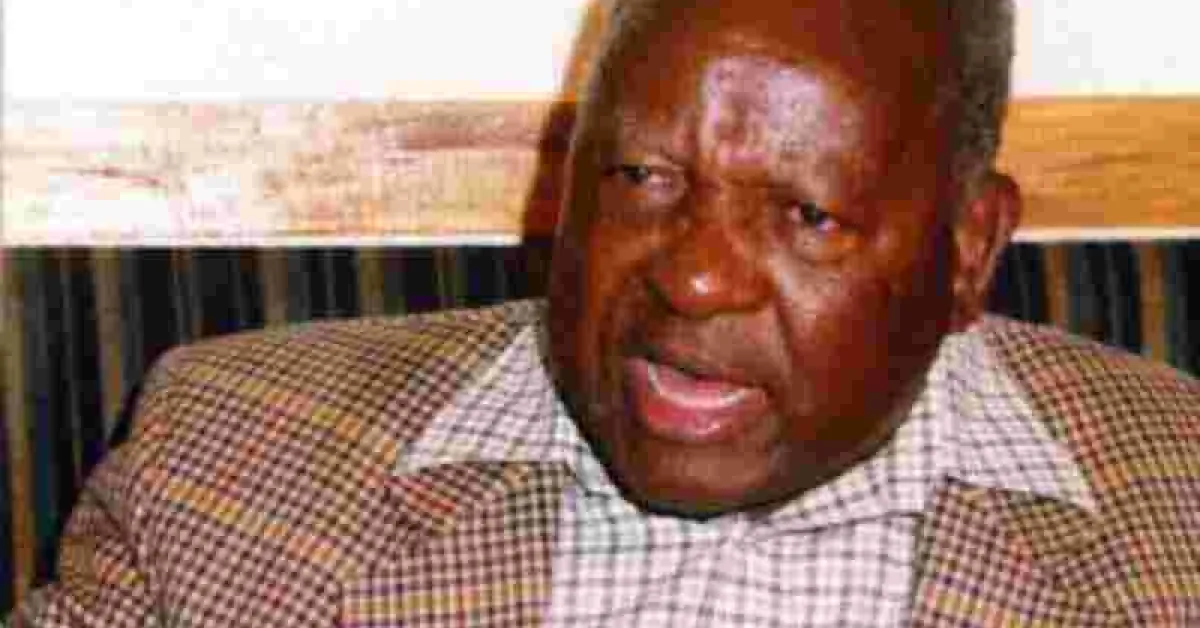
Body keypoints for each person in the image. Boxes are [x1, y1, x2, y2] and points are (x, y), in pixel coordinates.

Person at [12, 0, 1200, 625]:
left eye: (808, 217)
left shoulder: (1179, 527)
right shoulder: (232, 465)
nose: (694, 278)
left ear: (970, 249)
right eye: (642, 176)